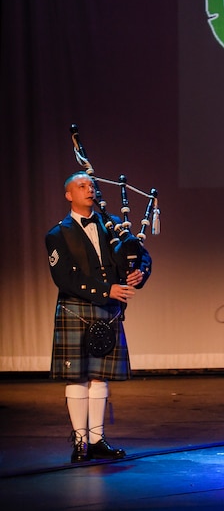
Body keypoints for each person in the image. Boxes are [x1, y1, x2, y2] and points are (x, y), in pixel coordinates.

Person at [46, 171, 152, 463]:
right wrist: (108, 290)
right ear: (69, 195)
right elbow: (65, 278)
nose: (89, 189)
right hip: (76, 308)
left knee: (99, 376)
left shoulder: (114, 225)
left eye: (91, 185)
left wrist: (139, 273)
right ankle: (79, 442)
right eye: (81, 186)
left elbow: (141, 254)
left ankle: (96, 439)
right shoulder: (57, 234)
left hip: (107, 311)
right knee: (77, 377)